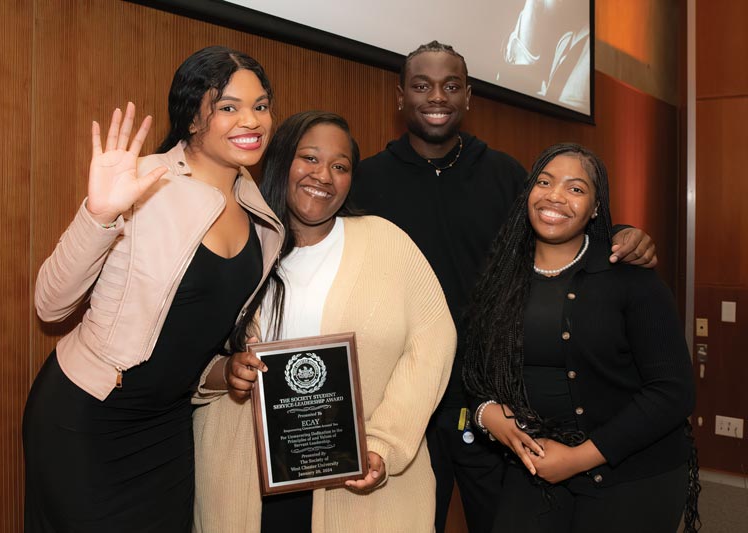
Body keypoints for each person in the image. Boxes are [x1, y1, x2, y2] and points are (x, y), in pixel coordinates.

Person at [350, 41, 659, 532]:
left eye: (451, 86)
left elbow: (568, 232)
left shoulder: (507, 175)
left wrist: (623, 236)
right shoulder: (364, 181)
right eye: (422, 85)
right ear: (400, 96)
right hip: (399, 397)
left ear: (469, 97)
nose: (437, 97)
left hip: (493, 402)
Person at [22, 46, 283, 532]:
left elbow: (198, 338)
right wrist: (99, 215)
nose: (251, 120)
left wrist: (227, 371)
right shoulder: (141, 182)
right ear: (191, 119)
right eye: (228, 107)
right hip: (87, 418)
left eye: (261, 106)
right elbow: (50, 305)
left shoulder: (261, 213)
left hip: (166, 429)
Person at [192, 111, 456, 533]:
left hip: (354, 482)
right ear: (281, 160)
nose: (324, 176)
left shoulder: (385, 242)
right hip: (243, 478)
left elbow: (433, 342)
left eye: (340, 166)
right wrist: (224, 372)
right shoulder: (236, 240)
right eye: (310, 159)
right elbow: (183, 344)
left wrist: (385, 445)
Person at [462, 143, 699, 533]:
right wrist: (488, 414)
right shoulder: (499, 277)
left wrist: (577, 458)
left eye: (576, 189)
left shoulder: (631, 278)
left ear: (596, 209)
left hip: (632, 475)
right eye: (544, 182)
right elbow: (474, 373)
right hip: (534, 467)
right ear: (528, 195)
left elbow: (673, 392)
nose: (555, 196)